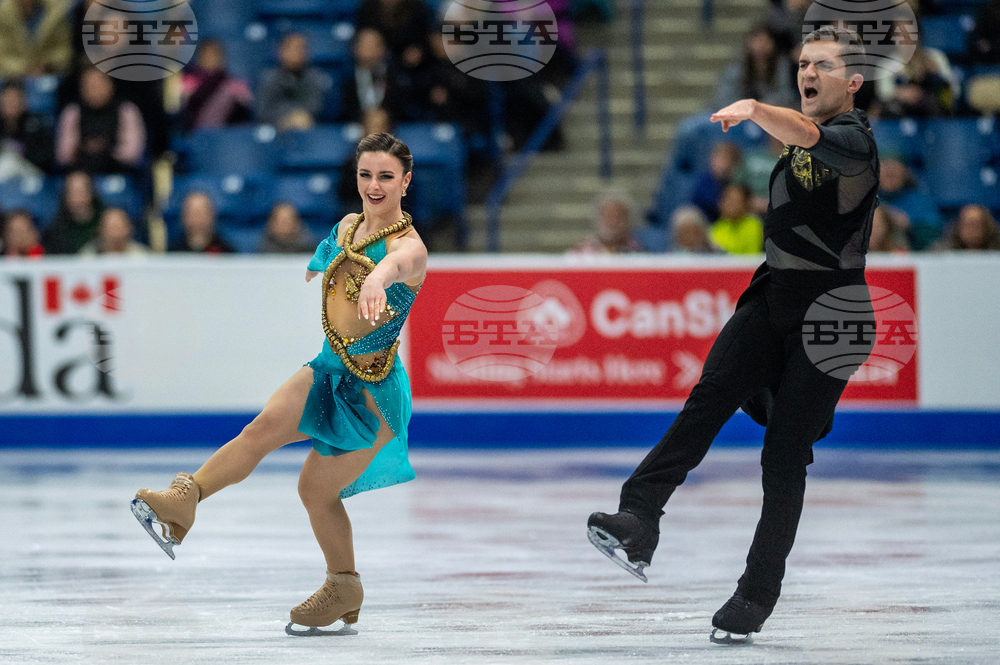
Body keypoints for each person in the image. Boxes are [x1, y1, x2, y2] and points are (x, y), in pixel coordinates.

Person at [588, 26, 880, 643]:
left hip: (834, 313)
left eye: (824, 66)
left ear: (853, 82)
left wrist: (753, 108)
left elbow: (807, 135)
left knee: (784, 456)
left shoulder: (855, 140)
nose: (808, 73)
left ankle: (756, 593)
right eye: (803, 64)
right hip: (774, 293)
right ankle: (639, 516)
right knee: (710, 395)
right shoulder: (798, 141)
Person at [131, 132, 428, 637]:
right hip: (329, 366)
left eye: (385, 176)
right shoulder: (349, 225)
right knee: (263, 427)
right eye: (365, 174)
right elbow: (334, 252)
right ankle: (185, 499)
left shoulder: (409, 248)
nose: (373, 186)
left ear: (405, 180)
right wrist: (321, 266)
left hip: (373, 394)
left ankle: (344, 585)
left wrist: (378, 279)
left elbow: (396, 266)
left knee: (314, 489)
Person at [56, 67, 146, 174]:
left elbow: (132, 154)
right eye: (89, 86)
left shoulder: (126, 110)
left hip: (120, 172)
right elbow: (64, 156)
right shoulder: (72, 112)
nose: (94, 90)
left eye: (99, 85)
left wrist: (104, 151)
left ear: (110, 85)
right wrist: (85, 151)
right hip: (81, 173)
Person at [256, 33, 333, 130]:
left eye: (302, 48)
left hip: (310, 132)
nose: (298, 52)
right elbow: (263, 112)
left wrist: (301, 117)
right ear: (281, 51)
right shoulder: (268, 79)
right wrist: (288, 120)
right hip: (276, 134)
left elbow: (317, 108)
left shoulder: (317, 78)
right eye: (293, 48)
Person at [180, 39, 253, 133]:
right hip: (195, 135)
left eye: (214, 54)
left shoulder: (235, 84)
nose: (210, 58)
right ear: (199, 58)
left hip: (227, 136)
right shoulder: (188, 82)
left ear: (222, 58)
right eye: (206, 54)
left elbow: (247, 115)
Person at [0, 0, 73, 78]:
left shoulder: (57, 11)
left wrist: (45, 67)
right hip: (12, 77)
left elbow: (64, 51)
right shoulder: (4, 13)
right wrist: (27, 69)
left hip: (51, 75)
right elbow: (3, 57)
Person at [0, 78, 54, 178]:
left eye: (15, 99)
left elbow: (46, 158)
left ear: (24, 101)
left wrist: (18, 156)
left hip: (31, 176)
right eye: (7, 99)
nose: (11, 103)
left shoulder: (36, 124)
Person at [41, 170, 104, 254]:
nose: (77, 197)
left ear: (91, 193)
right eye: (71, 192)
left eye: (81, 191)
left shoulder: (106, 220)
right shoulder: (55, 231)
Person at [570, 191, 642, 254]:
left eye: (619, 216)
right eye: (609, 216)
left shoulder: (637, 249)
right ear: (597, 218)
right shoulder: (581, 251)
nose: (614, 222)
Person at [167, 191, 234, 254]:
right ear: (183, 216)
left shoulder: (226, 253)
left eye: (201, 213)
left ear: (212, 215)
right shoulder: (172, 253)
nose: (196, 219)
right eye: (191, 213)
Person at [710, 183, 764, 254]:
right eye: (727, 200)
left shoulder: (754, 225)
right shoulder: (715, 228)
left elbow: (751, 255)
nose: (730, 204)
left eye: (735, 200)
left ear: (745, 203)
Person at [79, 207, 148, 255]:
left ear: (128, 229)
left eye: (118, 228)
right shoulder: (89, 256)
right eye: (111, 228)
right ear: (101, 230)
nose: (115, 234)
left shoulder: (141, 256)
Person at [932, 204, 1000, 251]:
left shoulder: (997, 250)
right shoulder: (942, 252)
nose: (971, 230)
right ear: (958, 227)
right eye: (968, 225)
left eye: (976, 225)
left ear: (987, 227)